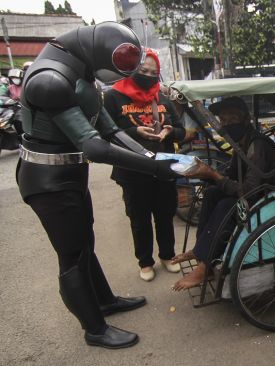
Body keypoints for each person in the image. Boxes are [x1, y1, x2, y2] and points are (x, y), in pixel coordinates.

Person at [17, 22, 180, 349]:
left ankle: (104, 301)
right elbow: (93, 146)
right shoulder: (50, 80)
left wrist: (152, 158)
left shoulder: (78, 71)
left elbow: (110, 131)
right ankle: (94, 328)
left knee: (84, 240)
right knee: (73, 253)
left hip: (69, 174)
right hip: (47, 180)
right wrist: (153, 166)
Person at [170, 96, 275, 291]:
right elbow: (230, 175)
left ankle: (205, 264)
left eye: (232, 119)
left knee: (227, 205)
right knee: (212, 193)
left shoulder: (256, 146)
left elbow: (250, 191)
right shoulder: (242, 142)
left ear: (245, 119)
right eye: (223, 121)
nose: (227, 124)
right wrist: (206, 173)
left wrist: (214, 175)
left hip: (270, 197)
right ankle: (201, 250)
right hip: (255, 193)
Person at [104, 49, 186, 281]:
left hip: (163, 168)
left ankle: (168, 256)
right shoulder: (113, 97)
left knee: (165, 215)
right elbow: (105, 133)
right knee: (139, 220)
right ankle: (145, 262)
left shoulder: (163, 98)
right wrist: (134, 131)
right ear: (130, 70)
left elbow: (181, 131)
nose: (148, 75)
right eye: (142, 70)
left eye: (153, 72)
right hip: (132, 171)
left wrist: (170, 131)